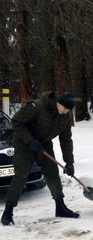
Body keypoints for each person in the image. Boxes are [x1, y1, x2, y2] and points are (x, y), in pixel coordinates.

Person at [1, 91, 79, 226]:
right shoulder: (37, 107)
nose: (66, 112)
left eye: (68, 110)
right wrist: (30, 141)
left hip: (44, 145)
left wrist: (69, 162)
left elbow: (66, 140)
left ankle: (60, 207)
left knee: (52, 173)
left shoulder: (65, 117)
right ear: (58, 103)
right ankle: (8, 212)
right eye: (64, 108)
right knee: (20, 176)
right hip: (24, 144)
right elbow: (16, 121)